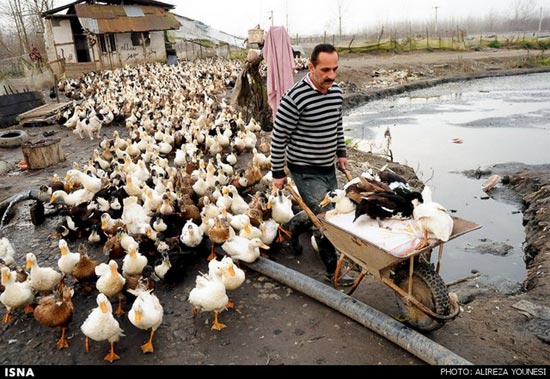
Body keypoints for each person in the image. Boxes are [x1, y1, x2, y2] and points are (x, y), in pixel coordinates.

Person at [270, 43, 353, 286]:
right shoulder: (294, 98)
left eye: (335, 69)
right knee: (326, 219)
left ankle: (293, 227)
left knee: (328, 210)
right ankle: (333, 272)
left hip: (327, 166)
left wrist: (341, 152)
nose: (331, 76)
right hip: (304, 169)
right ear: (311, 67)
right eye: (325, 70)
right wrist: (277, 172)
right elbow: (279, 136)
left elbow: (336, 125)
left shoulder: (336, 92)